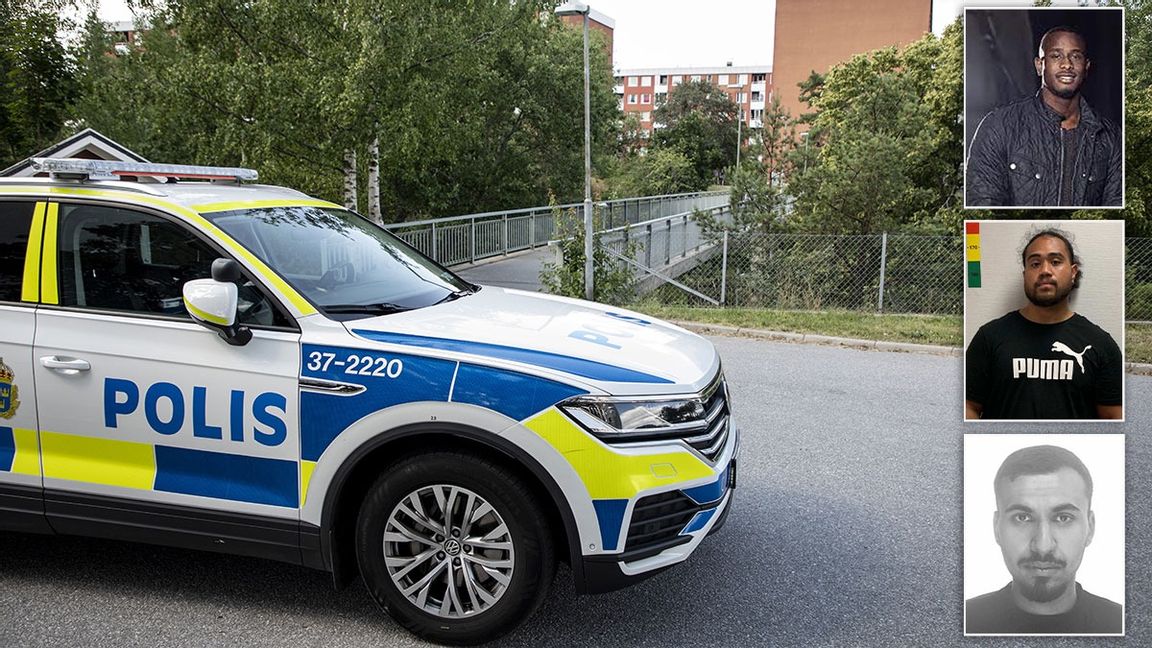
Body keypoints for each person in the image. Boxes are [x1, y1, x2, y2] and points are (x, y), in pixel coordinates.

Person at [965, 229, 1122, 419]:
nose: (1045, 271)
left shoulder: (1101, 345)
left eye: (1055, 262)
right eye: (1035, 263)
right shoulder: (989, 338)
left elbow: (1113, 418)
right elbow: (969, 407)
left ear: (1073, 272)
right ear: (1025, 274)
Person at [965, 445, 1122, 634]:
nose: (1043, 546)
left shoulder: (1126, 626)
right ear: (996, 528)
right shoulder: (960, 622)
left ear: (1090, 527)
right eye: (1022, 517)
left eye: (1063, 518)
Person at [965, 26, 1122, 207]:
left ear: (1086, 67)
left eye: (1076, 56)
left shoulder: (1110, 136)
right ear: (1040, 65)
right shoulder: (999, 126)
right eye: (1056, 56)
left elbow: (1114, 207)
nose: (1067, 64)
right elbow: (982, 206)